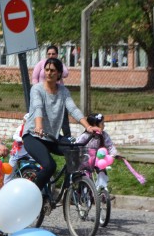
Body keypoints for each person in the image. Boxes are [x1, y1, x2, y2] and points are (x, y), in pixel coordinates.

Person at [23, 57, 101, 196]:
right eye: (46, 70)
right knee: (50, 165)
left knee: (75, 152)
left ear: (59, 73)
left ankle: (73, 188)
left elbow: (73, 109)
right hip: (34, 136)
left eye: (52, 70)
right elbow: (38, 107)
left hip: (51, 137)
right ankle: (32, 194)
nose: (48, 73)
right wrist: (39, 126)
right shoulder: (37, 89)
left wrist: (88, 127)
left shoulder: (63, 91)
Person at [31, 46, 71, 137]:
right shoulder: (41, 63)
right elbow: (34, 77)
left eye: (53, 54)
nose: (51, 55)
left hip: (57, 94)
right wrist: (36, 91)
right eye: (49, 54)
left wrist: (58, 63)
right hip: (43, 94)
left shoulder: (59, 64)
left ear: (57, 54)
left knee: (64, 117)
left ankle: (68, 138)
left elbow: (65, 74)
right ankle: (42, 133)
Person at [75, 113, 118, 190]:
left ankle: (102, 189)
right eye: (102, 123)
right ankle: (84, 190)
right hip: (86, 160)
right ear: (95, 124)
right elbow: (77, 145)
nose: (104, 125)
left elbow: (110, 146)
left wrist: (113, 154)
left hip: (98, 160)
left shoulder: (104, 135)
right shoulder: (86, 135)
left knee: (102, 171)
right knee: (86, 176)